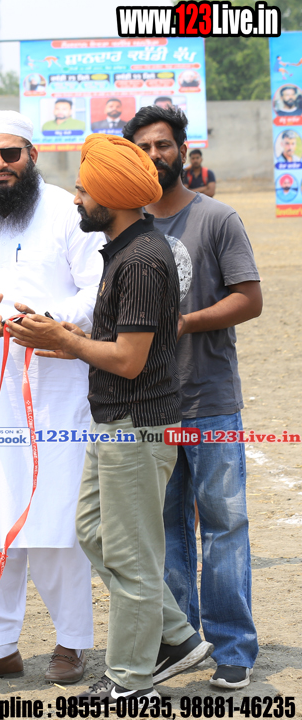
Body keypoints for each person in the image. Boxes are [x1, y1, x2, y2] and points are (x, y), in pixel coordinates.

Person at [5, 134, 213, 701]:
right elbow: (119, 342)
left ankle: (129, 679)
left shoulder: (140, 261)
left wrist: (66, 343)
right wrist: (65, 336)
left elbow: (129, 359)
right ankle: (175, 638)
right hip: (116, 422)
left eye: (83, 190)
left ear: (114, 197)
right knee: (94, 533)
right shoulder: (123, 251)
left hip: (136, 428)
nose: (76, 200)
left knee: (131, 558)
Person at [0, 110, 100, 686]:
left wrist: (50, 321)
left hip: (54, 390)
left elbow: (98, 288)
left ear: (33, 155)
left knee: (56, 520)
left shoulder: (66, 212)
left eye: (11, 153)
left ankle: (71, 643)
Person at [125, 105, 263, 690]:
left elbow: (250, 299)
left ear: (182, 150)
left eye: (163, 145)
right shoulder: (128, 226)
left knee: (224, 524)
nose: (154, 156)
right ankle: (182, 641)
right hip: (151, 405)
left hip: (210, 400)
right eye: (142, 148)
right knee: (163, 530)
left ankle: (233, 645)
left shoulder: (217, 218)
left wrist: (185, 322)